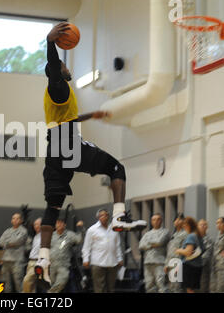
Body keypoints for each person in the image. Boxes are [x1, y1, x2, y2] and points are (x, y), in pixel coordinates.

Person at [36, 22, 146, 287]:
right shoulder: (58, 87)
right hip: (67, 144)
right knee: (116, 168)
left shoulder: (60, 98)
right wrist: (50, 43)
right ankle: (119, 216)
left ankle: (42, 259)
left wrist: (90, 115)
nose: (67, 66)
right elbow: (53, 69)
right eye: (63, 66)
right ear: (58, 72)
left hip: (55, 150)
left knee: (53, 207)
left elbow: (67, 118)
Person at [82, 209, 123, 293]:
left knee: (111, 288)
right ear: (98, 217)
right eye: (101, 215)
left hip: (112, 262)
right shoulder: (92, 230)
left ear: (108, 217)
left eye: (106, 215)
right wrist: (85, 259)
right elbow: (86, 247)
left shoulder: (114, 229)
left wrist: (120, 258)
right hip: (98, 263)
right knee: (99, 289)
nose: (104, 217)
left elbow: (117, 245)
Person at [48, 217, 84, 293]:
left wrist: (81, 229)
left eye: (61, 223)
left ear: (65, 225)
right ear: (55, 225)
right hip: (51, 265)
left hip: (63, 265)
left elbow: (79, 240)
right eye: (58, 223)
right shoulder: (51, 235)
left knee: (61, 282)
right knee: (52, 284)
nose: (59, 224)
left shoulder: (69, 234)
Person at [139, 213, 170, 293]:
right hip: (148, 262)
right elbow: (141, 245)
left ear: (161, 221)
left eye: (158, 219)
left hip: (159, 262)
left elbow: (160, 242)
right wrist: (152, 245)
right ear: (151, 221)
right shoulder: (147, 233)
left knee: (161, 285)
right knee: (149, 285)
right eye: (153, 219)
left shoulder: (165, 232)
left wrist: (148, 243)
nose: (156, 221)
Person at [0, 212, 28, 293]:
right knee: (6, 283)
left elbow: (17, 241)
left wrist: (7, 243)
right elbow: (1, 242)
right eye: (13, 218)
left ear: (21, 220)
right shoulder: (8, 230)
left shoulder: (23, 231)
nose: (15, 220)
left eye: (17, 218)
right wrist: (9, 243)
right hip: (6, 260)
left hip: (17, 260)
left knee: (18, 282)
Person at [175, 217, 205, 293]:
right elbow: (203, 250)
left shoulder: (191, 236)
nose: (183, 226)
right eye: (183, 224)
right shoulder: (198, 236)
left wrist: (178, 250)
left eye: (185, 224)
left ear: (190, 225)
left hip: (190, 266)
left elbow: (188, 252)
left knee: (189, 290)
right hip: (197, 266)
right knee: (191, 289)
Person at [164, 213, 187, 293]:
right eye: (176, 219)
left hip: (178, 264)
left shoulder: (185, 234)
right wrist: (166, 264)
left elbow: (185, 252)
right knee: (171, 288)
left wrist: (179, 265)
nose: (177, 221)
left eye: (179, 219)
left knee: (177, 289)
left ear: (183, 222)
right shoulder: (174, 235)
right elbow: (170, 250)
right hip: (170, 264)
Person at [22, 218, 42, 293]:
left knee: (26, 280)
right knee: (32, 285)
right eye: (35, 224)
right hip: (31, 261)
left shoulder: (46, 236)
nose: (36, 226)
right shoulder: (36, 236)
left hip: (38, 263)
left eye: (38, 224)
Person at [197, 219, 213, 293]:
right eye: (201, 224)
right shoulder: (193, 239)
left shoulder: (209, 240)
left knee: (203, 288)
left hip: (203, 269)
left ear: (207, 227)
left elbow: (207, 253)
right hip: (193, 269)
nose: (203, 226)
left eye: (204, 225)